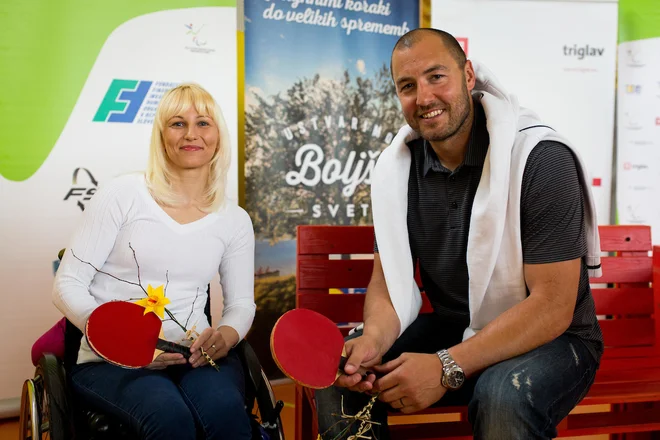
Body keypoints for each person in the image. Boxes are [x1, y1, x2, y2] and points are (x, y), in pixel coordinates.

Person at [316, 28, 604, 440]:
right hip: (456, 326)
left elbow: (552, 307)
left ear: (469, 76)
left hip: (557, 340)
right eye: (408, 86)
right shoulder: (396, 170)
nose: (425, 97)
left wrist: (446, 365)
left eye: (437, 77)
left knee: (503, 394)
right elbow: (387, 282)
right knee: (340, 377)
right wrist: (374, 341)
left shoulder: (539, 158)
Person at [53, 83, 255, 440]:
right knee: (169, 418)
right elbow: (66, 284)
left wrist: (226, 334)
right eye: (177, 123)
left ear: (219, 136)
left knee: (226, 417)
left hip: (193, 354)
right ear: (161, 136)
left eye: (203, 123)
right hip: (112, 362)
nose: (191, 133)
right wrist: (124, 343)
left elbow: (240, 304)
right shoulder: (123, 194)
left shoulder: (234, 220)